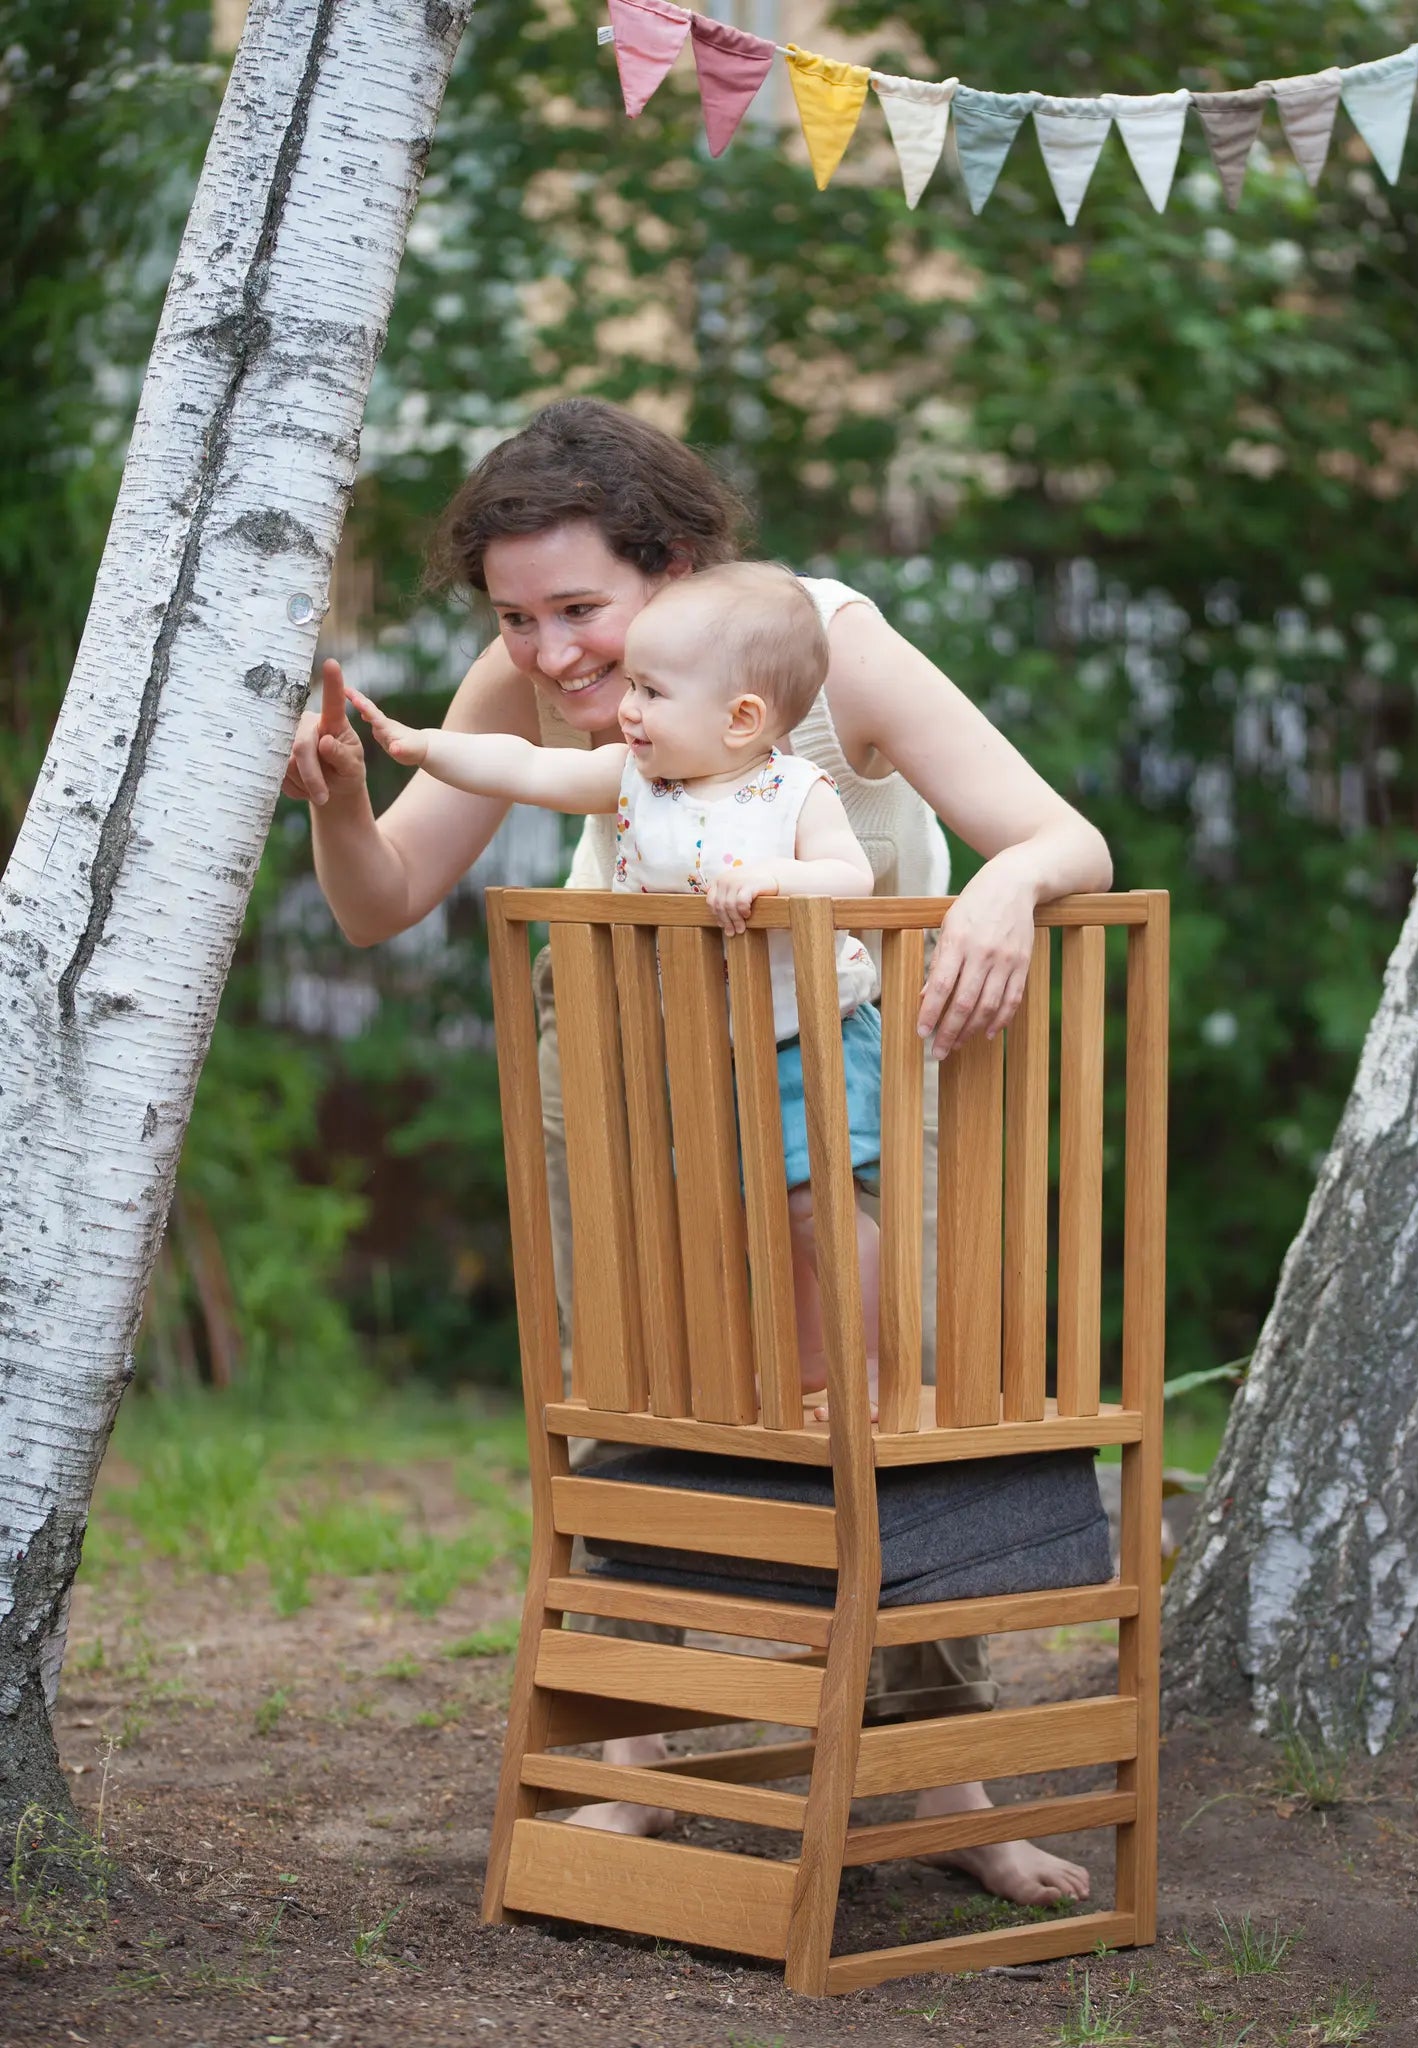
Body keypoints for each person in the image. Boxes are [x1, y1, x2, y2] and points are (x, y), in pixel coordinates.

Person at [284, 397, 1110, 1907]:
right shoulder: (533, 673)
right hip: (620, 1058)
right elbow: (380, 896)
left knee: (876, 1407)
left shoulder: (820, 641)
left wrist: (1008, 895)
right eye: (515, 619)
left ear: (670, 564)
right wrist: (343, 799)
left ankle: (947, 1785)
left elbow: (1064, 840)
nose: (549, 657)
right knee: (643, 1393)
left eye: (581, 610)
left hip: (835, 1075)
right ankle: (638, 1767)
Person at [344, 560, 887, 1413]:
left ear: (742, 718)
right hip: (702, 1049)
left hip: (802, 1040)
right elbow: (523, 767)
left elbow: (850, 878)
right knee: (750, 1220)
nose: (625, 710)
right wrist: (422, 747)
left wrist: (777, 880)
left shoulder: (790, 791)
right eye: (631, 684)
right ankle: (798, 1372)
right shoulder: (633, 781)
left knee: (816, 1212)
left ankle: (859, 1377)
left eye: (652, 692)